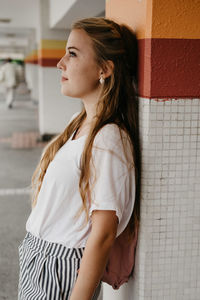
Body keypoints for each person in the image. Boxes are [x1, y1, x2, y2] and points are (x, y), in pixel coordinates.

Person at [18, 17, 141, 300]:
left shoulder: (109, 138)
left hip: (60, 265)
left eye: (72, 54)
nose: (60, 63)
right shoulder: (78, 121)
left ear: (104, 69)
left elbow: (103, 235)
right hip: (37, 256)